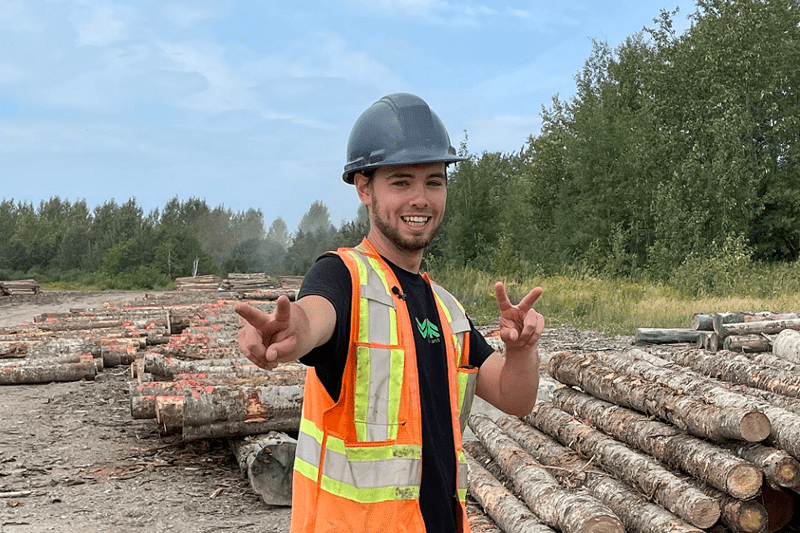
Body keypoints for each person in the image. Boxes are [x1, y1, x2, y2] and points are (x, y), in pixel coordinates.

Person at [235, 93, 544, 533]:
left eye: (434, 182)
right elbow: (313, 316)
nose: (420, 198)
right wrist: (288, 332)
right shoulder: (343, 277)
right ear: (365, 188)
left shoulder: (447, 309)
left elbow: (516, 398)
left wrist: (522, 352)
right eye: (401, 182)